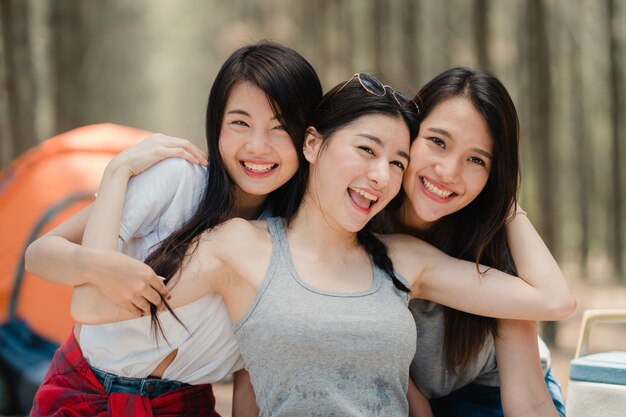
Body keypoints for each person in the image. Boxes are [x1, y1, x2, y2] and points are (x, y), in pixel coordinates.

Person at [69, 73, 574, 416]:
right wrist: (117, 174)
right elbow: (90, 304)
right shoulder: (238, 247)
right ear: (312, 144)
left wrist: (505, 200)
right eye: (366, 150)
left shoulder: (402, 257)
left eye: (397, 162)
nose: (380, 176)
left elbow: (554, 300)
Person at [26, 41, 323, 417]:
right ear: (216, 125)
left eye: (281, 128)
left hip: (184, 406)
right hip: (84, 395)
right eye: (240, 123)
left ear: (308, 139)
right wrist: (117, 175)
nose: (257, 146)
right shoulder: (177, 179)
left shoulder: (292, 239)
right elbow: (38, 255)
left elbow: (253, 366)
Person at [387, 67, 569, 417]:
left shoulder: (494, 240)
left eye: (476, 159)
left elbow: (527, 401)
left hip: (490, 394)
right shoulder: (363, 217)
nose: (449, 172)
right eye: (437, 142)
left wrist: (505, 205)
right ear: (407, 133)